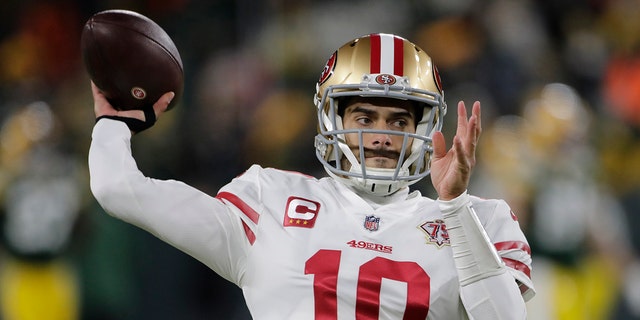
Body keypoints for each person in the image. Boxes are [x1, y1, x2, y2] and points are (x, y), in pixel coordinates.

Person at [89, 33, 535, 319]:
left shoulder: (480, 219)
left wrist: (454, 207)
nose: (380, 136)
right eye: (365, 116)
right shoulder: (270, 199)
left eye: (399, 121)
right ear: (332, 119)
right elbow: (118, 189)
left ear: (424, 130)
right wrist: (115, 121)